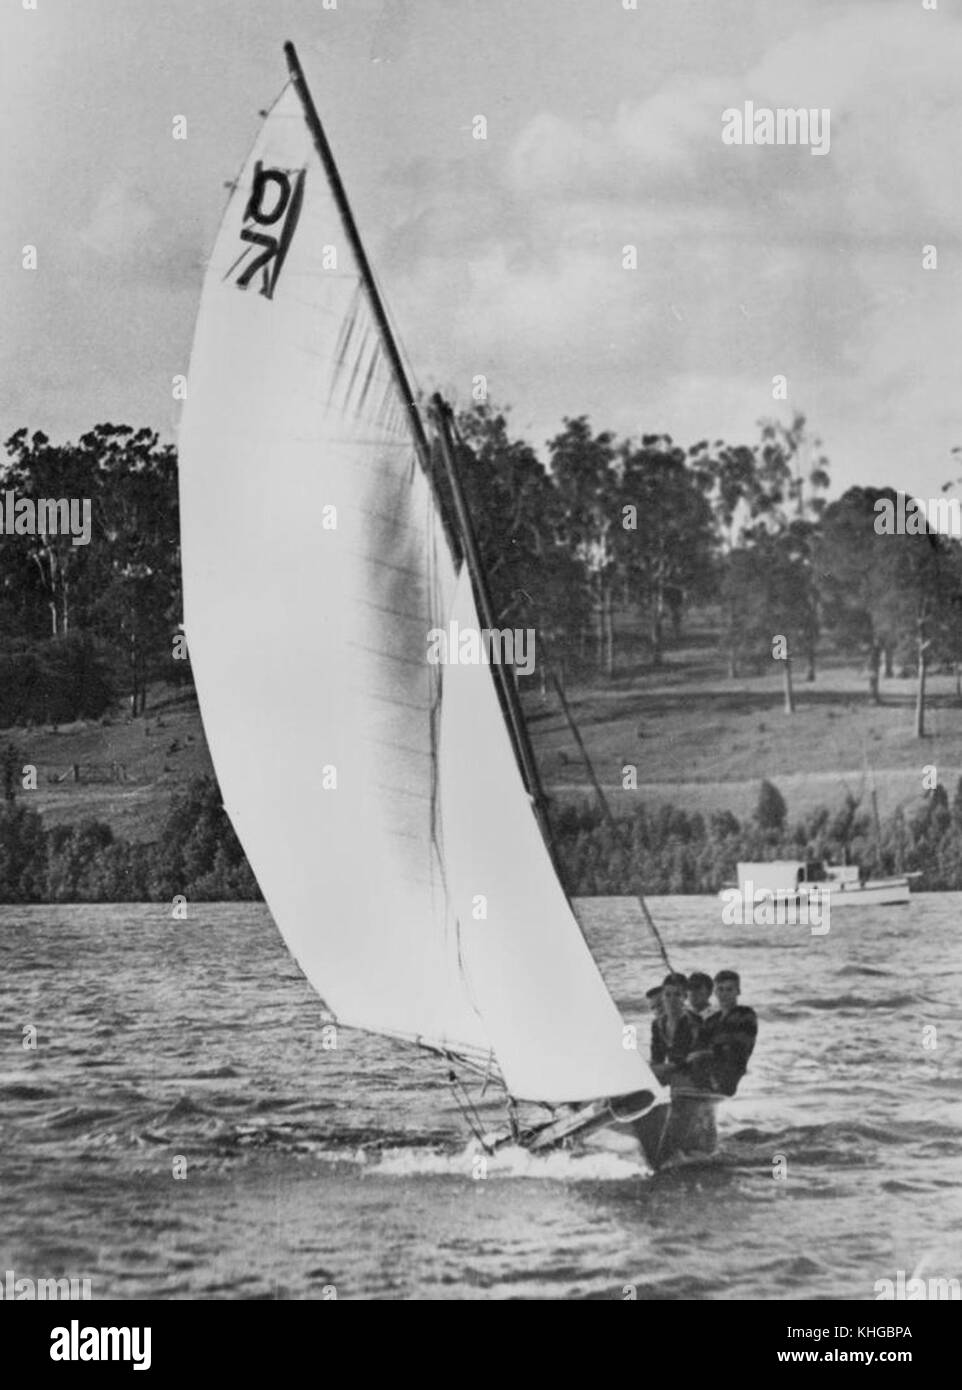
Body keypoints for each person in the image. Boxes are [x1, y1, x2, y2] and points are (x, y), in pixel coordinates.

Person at [687, 970, 757, 1096]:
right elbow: (698, 1045)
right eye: (720, 989)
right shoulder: (712, 1019)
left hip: (730, 1071)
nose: (724, 994)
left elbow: (738, 1048)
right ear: (715, 992)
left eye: (729, 990)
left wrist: (706, 1052)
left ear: (738, 991)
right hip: (708, 1070)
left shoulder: (745, 1014)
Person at [649, 973, 699, 1087]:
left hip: (693, 1074)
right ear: (662, 996)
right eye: (668, 994)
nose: (672, 999)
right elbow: (657, 1058)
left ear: (685, 996)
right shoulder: (657, 1024)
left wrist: (671, 1067)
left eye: (677, 994)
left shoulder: (694, 1022)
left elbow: (697, 1057)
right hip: (670, 1072)